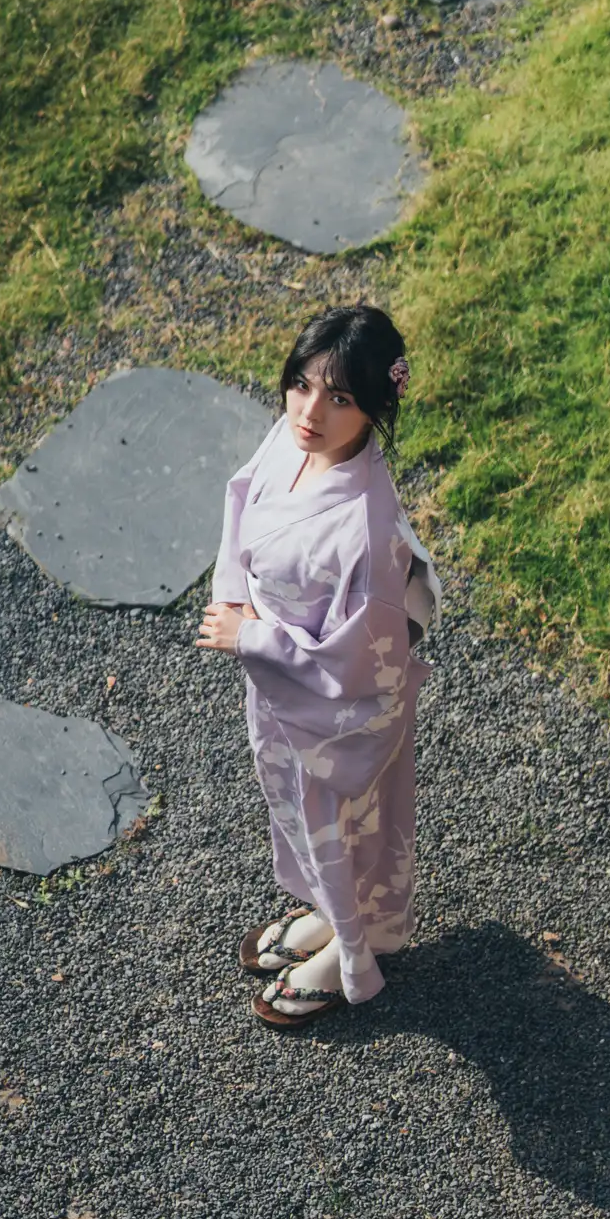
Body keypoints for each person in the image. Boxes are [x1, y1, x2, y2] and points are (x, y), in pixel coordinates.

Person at [199, 304, 439, 1032]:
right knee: (301, 813)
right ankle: (330, 917)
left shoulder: (362, 525)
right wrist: (236, 600)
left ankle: (351, 953)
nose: (310, 412)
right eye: (302, 384)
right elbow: (242, 499)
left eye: (340, 398)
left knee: (346, 823)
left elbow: (360, 665)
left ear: (373, 408)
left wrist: (254, 638)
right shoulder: (293, 441)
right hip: (285, 686)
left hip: (340, 707)